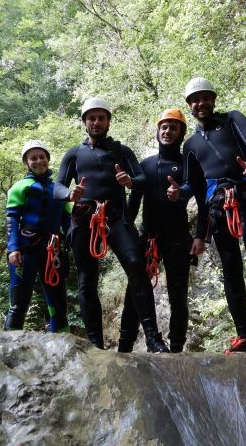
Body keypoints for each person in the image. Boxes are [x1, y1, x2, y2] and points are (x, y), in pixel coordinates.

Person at [169, 77, 246, 362]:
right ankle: (243, 337)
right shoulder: (190, 145)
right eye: (195, 100)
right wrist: (180, 194)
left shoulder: (232, 119)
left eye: (205, 98)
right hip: (217, 204)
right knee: (231, 268)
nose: (200, 103)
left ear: (213, 99)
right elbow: (194, 186)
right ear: (189, 106)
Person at [54, 97, 170, 353]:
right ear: (84, 122)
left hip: (116, 218)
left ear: (108, 121)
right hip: (85, 219)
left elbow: (142, 178)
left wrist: (130, 181)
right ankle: (95, 342)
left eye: (101, 118)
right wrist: (68, 195)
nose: (96, 122)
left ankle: (152, 338)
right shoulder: (74, 154)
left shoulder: (121, 151)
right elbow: (58, 185)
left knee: (136, 268)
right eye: (91, 118)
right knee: (86, 280)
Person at [118, 108, 193, 353]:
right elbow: (135, 200)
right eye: (164, 127)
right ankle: (125, 345)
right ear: (157, 131)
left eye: (173, 127)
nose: (168, 131)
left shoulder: (186, 164)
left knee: (178, 295)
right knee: (135, 290)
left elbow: (195, 191)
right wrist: (126, 227)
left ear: (181, 132)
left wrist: (179, 194)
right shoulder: (146, 165)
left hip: (178, 238)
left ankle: (176, 347)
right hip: (147, 236)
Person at [5, 140, 71, 332]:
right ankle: (9, 345)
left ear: (48, 160)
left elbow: (67, 222)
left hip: (53, 251)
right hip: (26, 250)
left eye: (42, 157)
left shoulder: (59, 189)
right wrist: (13, 248)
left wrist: (76, 244)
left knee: (58, 301)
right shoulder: (20, 187)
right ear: (26, 162)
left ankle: (62, 344)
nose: (38, 161)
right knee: (19, 300)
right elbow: (12, 219)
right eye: (33, 158)